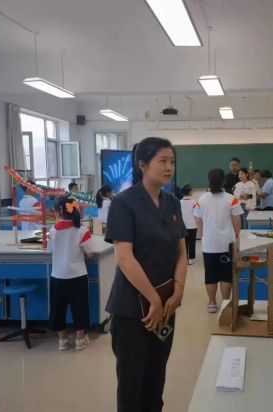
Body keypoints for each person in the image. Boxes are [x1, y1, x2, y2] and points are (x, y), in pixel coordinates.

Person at [105, 137, 187, 412]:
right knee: (132, 386)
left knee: (156, 379)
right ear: (142, 165)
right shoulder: (123, 203)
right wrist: (153, 299)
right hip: (133, 309)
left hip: (166, 306)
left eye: (172, 161)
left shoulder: (172, 203)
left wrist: (177, 291)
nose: (169, 167)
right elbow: (124, 258)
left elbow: (182, 252)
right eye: (162, 161)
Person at [48, 196, 96, 351]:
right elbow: (90, 253)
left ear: (57, 212)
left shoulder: (53, 230)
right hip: (77, 275)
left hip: (58, 275)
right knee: (79, 307)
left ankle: (62, 340)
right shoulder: (82, 230)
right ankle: (80, 340)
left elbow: (50, 250)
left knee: (58, 308)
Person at [194, 169, 243, 313]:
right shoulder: (231, 199)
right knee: (226, 275)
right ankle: (226, 303)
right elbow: (237, 222)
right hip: (227, 244)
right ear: (223, 181)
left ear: (208, 181)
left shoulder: (202, 199)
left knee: (210, 275)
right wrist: (238, 239)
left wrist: (204, 235)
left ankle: (212, 303)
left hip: (209, 244)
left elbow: (198, 220)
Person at [180, 184, 197, 265]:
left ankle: (185, 258)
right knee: (192, 242)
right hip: (192, 225)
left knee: (184, 243)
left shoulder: (179, 202)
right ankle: (191, 258)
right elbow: (196, 214)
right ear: (190, 192)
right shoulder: (194, 202)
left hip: (183, 226)